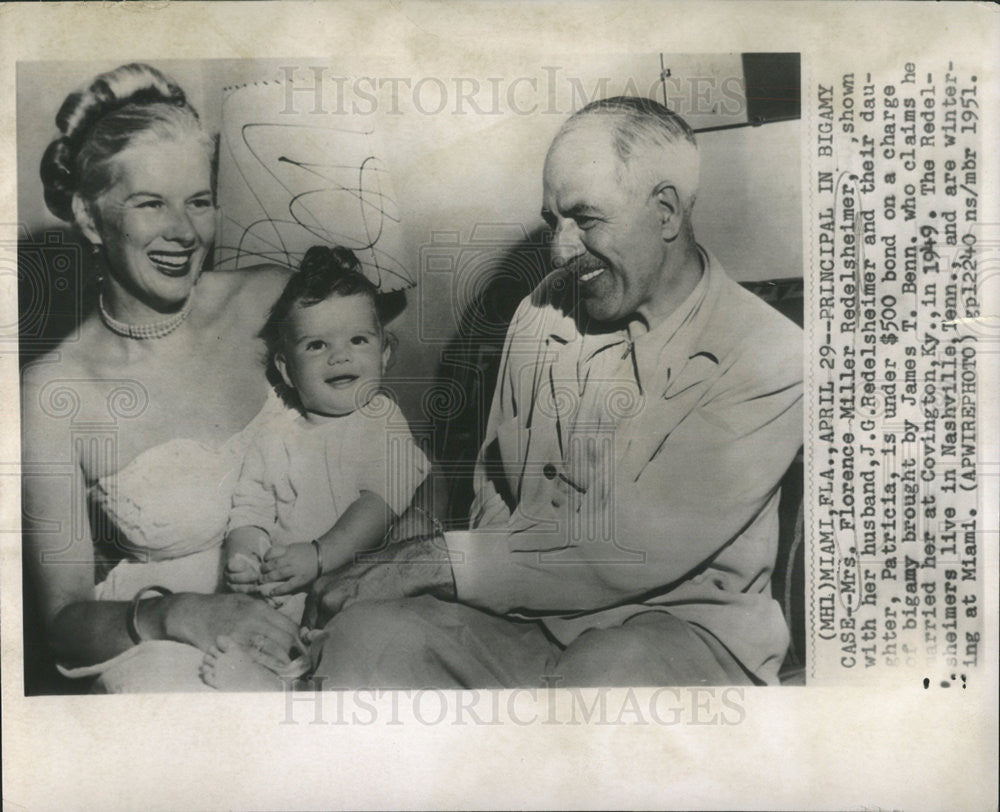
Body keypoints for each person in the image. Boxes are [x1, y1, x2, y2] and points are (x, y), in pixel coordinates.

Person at [300, 96, 804, 688]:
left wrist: (432, 560)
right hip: (528, 619)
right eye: (552, 222)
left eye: (585, 219)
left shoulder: (770, 354)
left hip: (680, 634)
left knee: (602, 676)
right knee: (369, 639)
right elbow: (495, 486)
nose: (561, 251)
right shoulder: (540, 310)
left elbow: (627, 548)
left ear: (665, 211)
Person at [21, 63, 303, 692]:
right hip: (173, 652)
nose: (184, 231)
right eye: (151, 204)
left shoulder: (269, 300)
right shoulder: (52, 396)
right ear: (92, 220)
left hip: (324, 598)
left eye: (198, 201)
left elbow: (381, 435)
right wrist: (180, 612)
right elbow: (62, 623)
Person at [199, 246, 429, 690]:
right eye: (317, 345)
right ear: (286, 368)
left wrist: (321, 554)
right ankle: (270, 680)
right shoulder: (276, 430)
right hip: (285, 582)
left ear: (384, 354)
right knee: (256, 627)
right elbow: (250, 506)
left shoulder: (381, 421)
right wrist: (244, 554)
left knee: (353, 641)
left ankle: (291, 682)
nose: (339, 356)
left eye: (358, 340)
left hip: (354, 578)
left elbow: (382, 501)